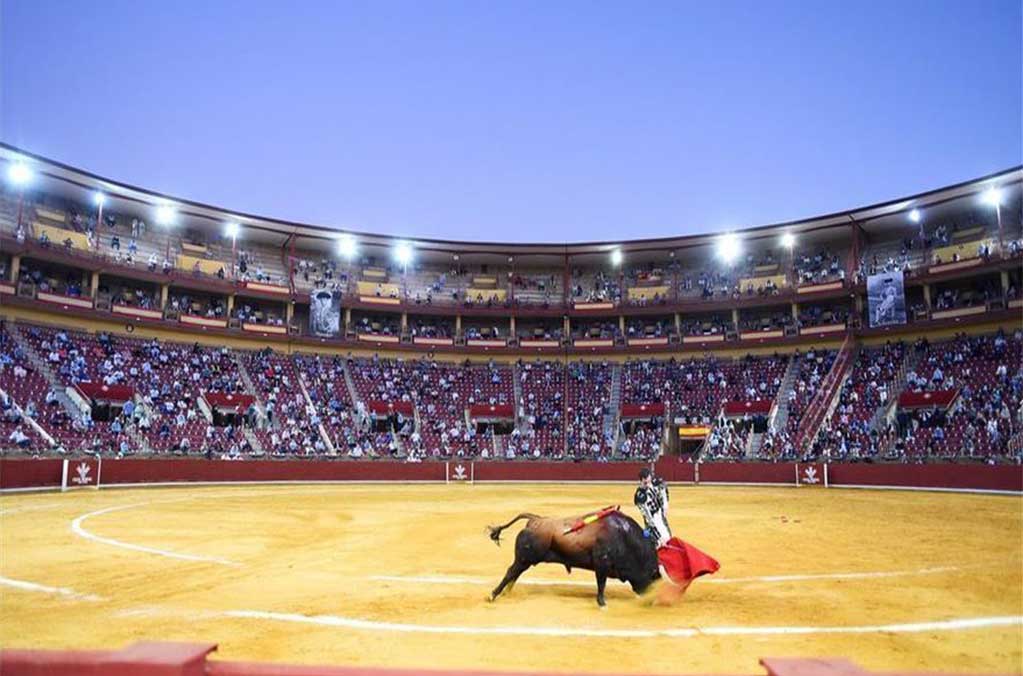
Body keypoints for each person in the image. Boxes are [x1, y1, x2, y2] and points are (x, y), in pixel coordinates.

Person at [634, 467, 671, 546]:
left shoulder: (656, 482)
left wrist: (665, 505)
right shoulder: (640, 496)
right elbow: (648, 518)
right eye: (645, 483)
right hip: (652, 518)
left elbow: (664, 489)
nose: (648, 485)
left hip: (660, 514)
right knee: (656, 542)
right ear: (641, 481)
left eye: (649, 481)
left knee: (668, 538)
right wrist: (659, 537)